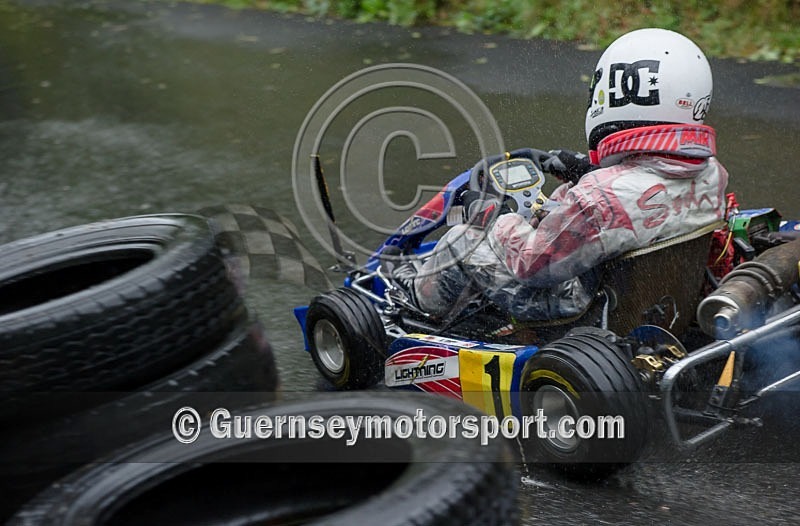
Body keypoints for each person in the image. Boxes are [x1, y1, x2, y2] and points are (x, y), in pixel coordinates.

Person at [395, 28, 729, 321]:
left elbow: (531, 263)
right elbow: (646, 191)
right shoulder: (712, 174)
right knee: (553, 207)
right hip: (657, 304)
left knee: (464, 240)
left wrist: (496, 217)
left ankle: (411, 305)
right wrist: (586, 171)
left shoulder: (599, 197)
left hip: (579, 311)